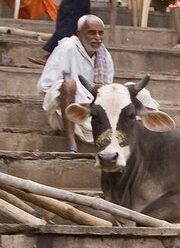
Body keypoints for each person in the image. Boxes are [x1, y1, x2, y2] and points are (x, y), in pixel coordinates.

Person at [38, 14, 160, 152]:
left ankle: (147, 145)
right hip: (71, 111)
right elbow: (45, 86)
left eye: (100, 33)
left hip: (97, 111)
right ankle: (72, 145)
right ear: (79, 34)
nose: (98, 37)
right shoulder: (67, 48)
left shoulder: (104, 54)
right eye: (92, 33)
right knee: (68, 84)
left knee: (141, 93)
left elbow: (106, 87)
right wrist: (74, 94)